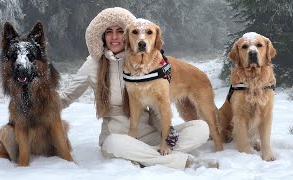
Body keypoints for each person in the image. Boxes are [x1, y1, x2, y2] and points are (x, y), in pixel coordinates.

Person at [60, 7, 218, 170]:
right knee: (113, 144)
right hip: (120, 137)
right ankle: (185, 162)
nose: (115, 37)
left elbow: (159, 103)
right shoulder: (93, 64)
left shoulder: (148, 62)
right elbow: (66, 96)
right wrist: (39, 105)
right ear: (102, 36)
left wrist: (166, 133)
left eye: (120, 31)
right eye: (109, 32)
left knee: (201, 128)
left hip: (150, 133)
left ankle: (146, 157)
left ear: (128, 35)